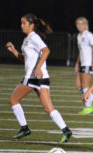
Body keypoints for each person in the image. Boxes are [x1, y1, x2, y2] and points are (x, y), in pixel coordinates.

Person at [6, 13, 72, 143]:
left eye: (24, 23)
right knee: (48, 107)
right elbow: (26, 60)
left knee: (13, 100)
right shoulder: (27, 39)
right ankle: (66, 130)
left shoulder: (34, 37)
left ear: (31, 25)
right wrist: (14, 51)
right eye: (21, 23)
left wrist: (38, 68)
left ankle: (24, 128)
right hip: (41, 77)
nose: (22, 25)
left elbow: (46, 50)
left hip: (34, 77)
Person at [74, 17, 93, 114]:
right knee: (78, 86)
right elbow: (81, 51)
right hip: (82, 63)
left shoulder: (89, 35)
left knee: (85, 86)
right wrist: (77, 63)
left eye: (82, 24)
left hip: (89, 63)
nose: (80, 26)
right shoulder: (79, 36)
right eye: (78, 24)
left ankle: (89, 106)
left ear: (85, 25)